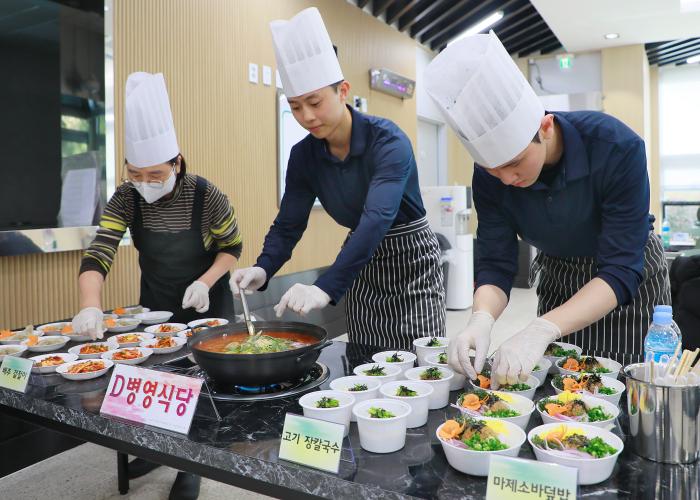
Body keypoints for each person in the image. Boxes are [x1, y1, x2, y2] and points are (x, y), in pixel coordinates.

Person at [424, 32, 670, 387]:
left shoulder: (617, 147)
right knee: (557, 395)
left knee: (621, 394)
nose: (506, 179)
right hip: (560, 278)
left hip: (627, 289)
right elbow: (497, 263)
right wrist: (480, 318)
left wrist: (541, 327)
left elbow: (620, 268)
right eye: (494, 169)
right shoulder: (491, 176)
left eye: (514, 162)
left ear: (546, 127)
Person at [230, 7, 445, 350]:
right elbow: (289, 224)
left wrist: (324, 286)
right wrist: (264, 268)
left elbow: (377, 218)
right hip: (360, 264)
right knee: (365, 355)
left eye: (315, 102)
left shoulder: (388, 141)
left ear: (343, 91)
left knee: (420, 360)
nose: (307, 116)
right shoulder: (304, 156)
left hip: (411, 262)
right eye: (296, 106)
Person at [72, 72, 242, 500]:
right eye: (135, 173)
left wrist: (205, 281)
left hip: (207, 301)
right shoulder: (127, 197)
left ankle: (192, 466)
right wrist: (90, 305)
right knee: (156, 379)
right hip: (158, 302)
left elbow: (233, 248)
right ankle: (156, 450)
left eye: (154, 174)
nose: (145, 182)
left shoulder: (208, 196)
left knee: (201, 384)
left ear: (177, 163)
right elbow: (101, 250)